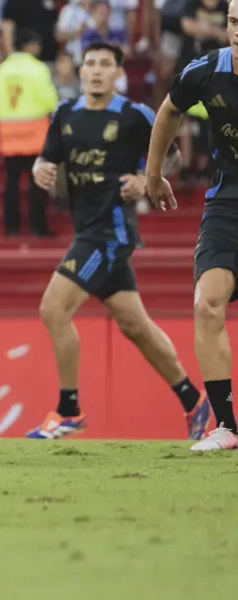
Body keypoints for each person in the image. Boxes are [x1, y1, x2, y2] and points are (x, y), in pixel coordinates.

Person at [28, 42, 210, 440]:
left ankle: (69, 411)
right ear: (80, 71)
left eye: (105, 65)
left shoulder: (134, 115)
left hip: (110, 233)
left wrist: (148, 179)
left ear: (117, 74)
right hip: (86, 228)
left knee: (53, 308)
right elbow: (47, 159)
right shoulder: (64, 114)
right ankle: (194, 401)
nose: (96, 71)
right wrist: (39, 167)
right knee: (136, 326)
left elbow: (173, 157)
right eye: (90, 64)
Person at [146, 0, 238, 451]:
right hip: (229, 203)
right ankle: (226, 426)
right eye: (234, 21)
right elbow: (168, 110)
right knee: (207, 303)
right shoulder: (206, 70)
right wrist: (154, 172)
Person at [0, 29, 59, 237]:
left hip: (9, 132)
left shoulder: (2, 70)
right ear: (30, 45)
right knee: (38, 183)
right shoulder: (38, 69)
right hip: (34, 133)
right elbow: (49, 100)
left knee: (11, 183)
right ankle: (38, 226)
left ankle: (11, 226)